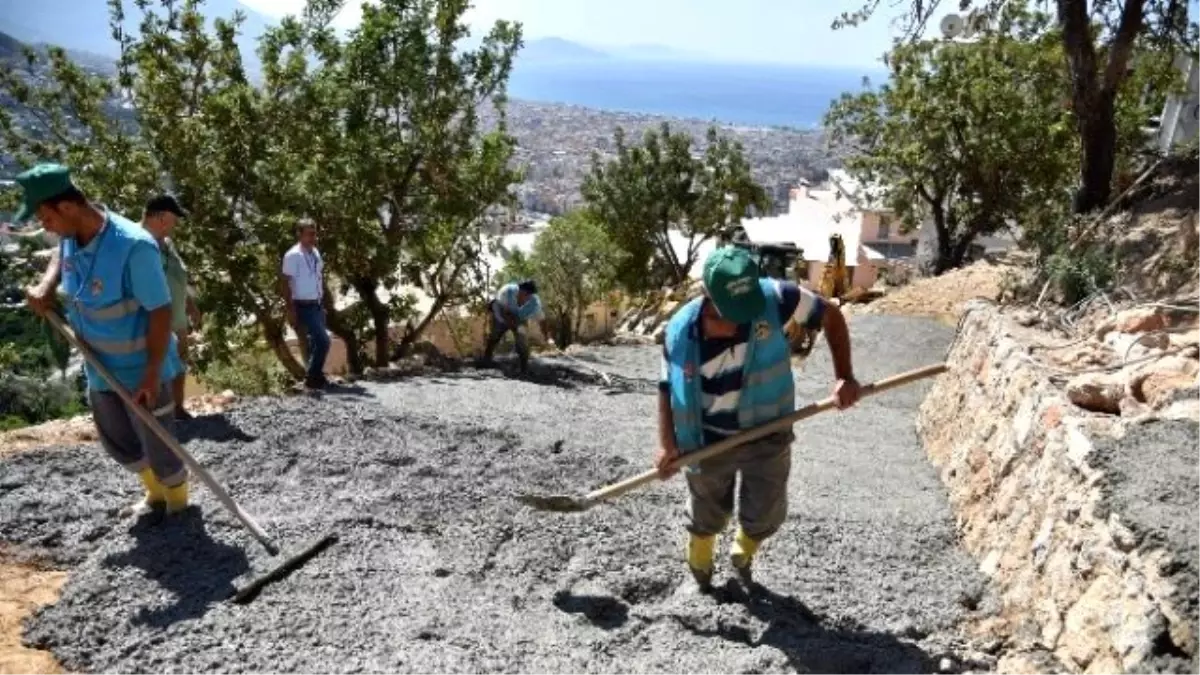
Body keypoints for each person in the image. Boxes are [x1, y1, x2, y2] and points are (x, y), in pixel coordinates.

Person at [656, 245, 860, 591]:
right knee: (707, 512)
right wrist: (667, 444)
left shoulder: (776, 297)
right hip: (707, 438)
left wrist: (845, 376)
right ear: (708, 295)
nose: (743, 317)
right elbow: (665, 388)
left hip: (769, 428)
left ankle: (744, 550)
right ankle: (701, 563)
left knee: (766, 510)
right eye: (732, 309)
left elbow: (831, 316)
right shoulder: (679, 332)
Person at [19, 163, 190, 517]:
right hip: (99, 365)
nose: (43, 226)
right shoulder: (71, 236)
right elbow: (58, 254)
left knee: (159, 444)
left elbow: (160, 312)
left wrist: (151, 373)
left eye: (44, 216)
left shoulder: (133, 246)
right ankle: (155, 496)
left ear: (66, 207)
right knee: (119, 440)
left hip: (141, 366)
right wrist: (46, 287)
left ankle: (179, 509)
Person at [142, 194, 202, 420]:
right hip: (157, 320)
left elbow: (178, 276)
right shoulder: (140, 244)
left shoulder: (167, 244)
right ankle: (158, 413)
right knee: (162, 366)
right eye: (174, 219)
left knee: (179, 363)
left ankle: (178, 408)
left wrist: (190, 304)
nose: (176, 224)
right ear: (161, 217)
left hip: (177, 317)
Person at [281, 220, 330, 389]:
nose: (313, 237)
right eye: (309, 234)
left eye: (314, 233)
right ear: (299, 234)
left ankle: (316, 377)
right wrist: (290, 310)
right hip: (302, 305)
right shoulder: (292, 255)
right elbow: (285, 283)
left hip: (315, 304)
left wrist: (321, 304)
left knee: (316, 342)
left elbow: (318, 279)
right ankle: (312, 377)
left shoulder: (315, 252)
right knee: (324, 341)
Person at [481, 279, 553, 372]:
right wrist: (516, 326)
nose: (524, 297)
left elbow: (542, 321)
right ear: (519, 290)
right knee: (495, 335)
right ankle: (486, 360)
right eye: (522, 293)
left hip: (519, 317)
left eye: (527, 295)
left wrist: (547, 337)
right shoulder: (506, 292)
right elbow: (505, 314)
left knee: (522, 339)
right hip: (501, 314)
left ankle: (524, 368)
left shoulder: (534, 304)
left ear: (530, 295)